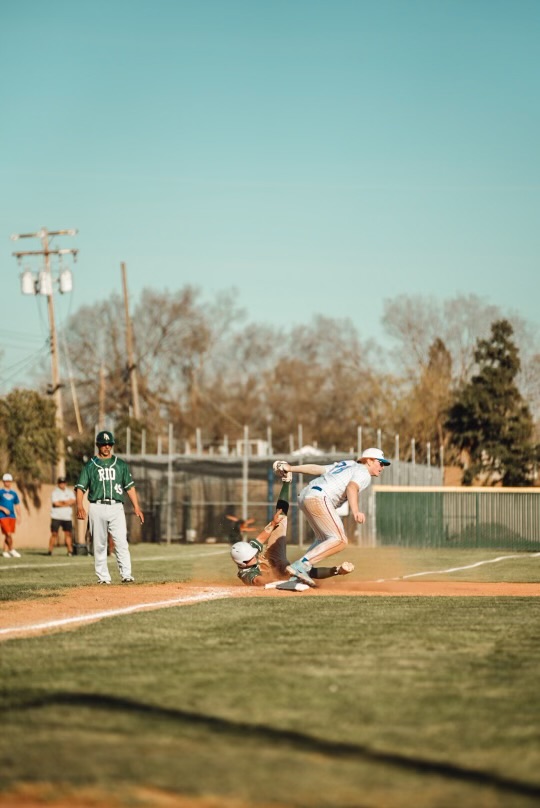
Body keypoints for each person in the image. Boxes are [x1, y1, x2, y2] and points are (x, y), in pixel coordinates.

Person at [272, 448, 391, 586]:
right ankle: (301, 566)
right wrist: (356, 511)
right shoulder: (364, 472)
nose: (382, 467)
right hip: (320, 498)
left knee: (325, 539)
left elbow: (318, 469)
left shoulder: (347, 464)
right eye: (381, 463)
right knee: (340, 540)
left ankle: (297, 574)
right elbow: (352, 488)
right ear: (369, 461)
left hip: (306, 495)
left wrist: (291, 468)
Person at [230, 479, 354, 591]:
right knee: (300, 571)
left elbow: (262, 537)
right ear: (243, 564)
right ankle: (336, 570)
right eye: (251, 557)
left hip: (272, 557)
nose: (254, 556)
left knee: (280, 517)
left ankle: (286, 482)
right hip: (279, 574)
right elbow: (259, 581)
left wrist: (273, 523)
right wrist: (278, 580)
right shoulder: (246, 574)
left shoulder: (248, 551)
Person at [75, 430, 144, 585]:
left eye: (109, 444)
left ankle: (126, 574)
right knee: (99, 544)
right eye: (103, 444)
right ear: (98, 445)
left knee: (121, 542)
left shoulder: (120, 465)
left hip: (116, 506)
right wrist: (79, 505)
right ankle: (103, 577)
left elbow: (130, 487)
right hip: (97, 506)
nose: (106, 447)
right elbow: (80, 488)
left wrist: (137, 507)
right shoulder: (90, 466)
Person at [48, 477, 76, 556]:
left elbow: (73, 501)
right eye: (61, 483)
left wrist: (62, 502)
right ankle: (50, 550)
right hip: (56, 516)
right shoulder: (55, 492)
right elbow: (56, 504)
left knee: (68, 534)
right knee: (54, 533)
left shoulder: (69, 492)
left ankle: (69, 551)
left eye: (63, 483)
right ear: (58, 483)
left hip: (67, 517)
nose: (62, 484)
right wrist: (67, 503)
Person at [0, 473, 22, 559]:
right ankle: (12, 549)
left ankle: (5, 551)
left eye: (9, 481)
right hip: (2, 516)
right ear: (3, 482)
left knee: (7, 534)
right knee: (8, 534)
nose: (7, 483)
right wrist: (3, 509)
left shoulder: (14, 493)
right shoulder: (0, 492)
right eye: (6, 481)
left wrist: (19, 515)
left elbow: (17, 504)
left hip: (12, 516)